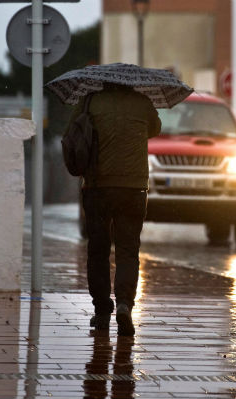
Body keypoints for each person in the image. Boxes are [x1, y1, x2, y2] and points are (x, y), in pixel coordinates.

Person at [67, 82, 161, 336]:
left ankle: (101, 311)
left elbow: (72, 133)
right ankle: (124, 305)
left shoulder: (90, 101)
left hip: (97, 187)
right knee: (128, 249)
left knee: (97, 250)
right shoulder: (142, 102)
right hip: (133, 188)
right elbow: (156, 128)